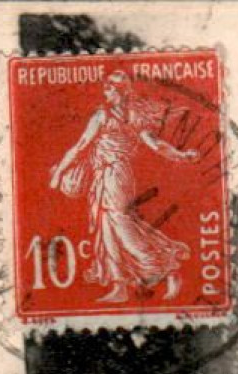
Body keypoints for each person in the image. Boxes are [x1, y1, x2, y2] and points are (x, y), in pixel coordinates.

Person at [47, 71, 200, 303]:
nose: (106, 93)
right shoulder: (117, 115)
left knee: (119, 222)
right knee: (105, 226)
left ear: (120, 91)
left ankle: (163, 267)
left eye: (110, 89)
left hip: (115, 174)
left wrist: (58, 173)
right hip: (104, 175)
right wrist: (181, 155)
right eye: (106, 89)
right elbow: (83, 146)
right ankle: (119, 286)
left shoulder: (117, 116)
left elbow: (83, 146)